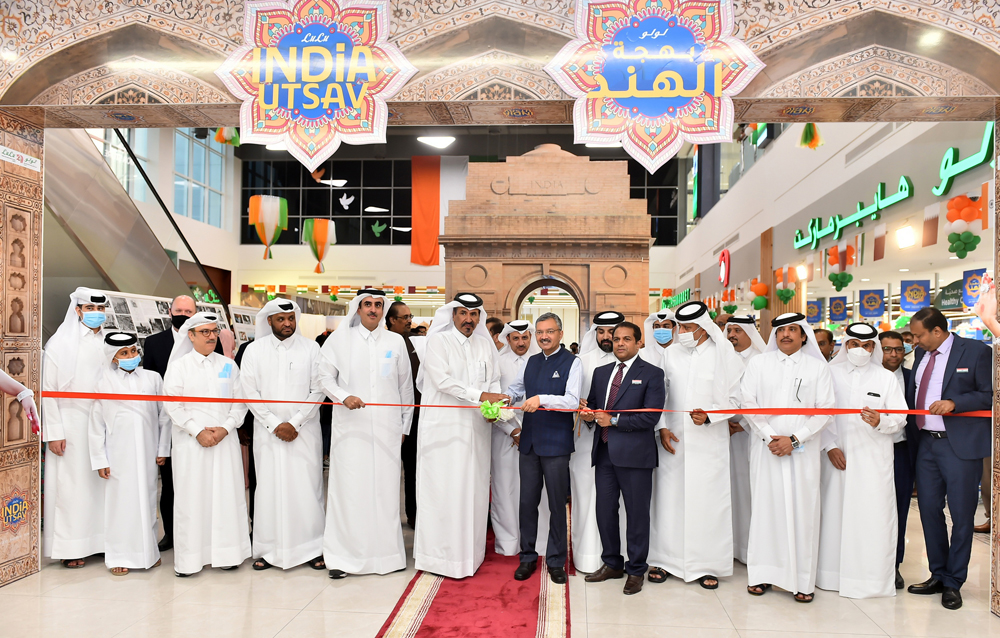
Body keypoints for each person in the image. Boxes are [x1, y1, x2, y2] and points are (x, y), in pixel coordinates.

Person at [740, 312, 835, 603]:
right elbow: (748, 403)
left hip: (802, 451)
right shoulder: (758, 363)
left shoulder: (817, 369)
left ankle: (801, 581)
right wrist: (771, 436)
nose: (786, 335)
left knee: (802, 511)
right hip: (765, 447)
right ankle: (762, 575)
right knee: (766, 510)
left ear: (803, 335)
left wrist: (795, 439)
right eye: (781, 330)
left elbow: (826, 409)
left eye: (793, 330)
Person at [649, 301, 743, 589]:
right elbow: (659, 394)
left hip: (708, 442)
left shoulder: (724, 355)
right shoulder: (672, 354)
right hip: (673, 441)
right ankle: (665, 560)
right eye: (682, 327)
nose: (683, 333)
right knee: (669, 501)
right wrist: (662, 427)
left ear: (704, 329)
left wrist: (711, 416)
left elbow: (737, 402)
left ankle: (708, 564)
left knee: (708, 503)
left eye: (689, 328)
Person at [320, 290, 414, 577]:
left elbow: (406, 388)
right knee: (350, 490)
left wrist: (404, 427)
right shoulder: (339, 340)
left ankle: (386, 557)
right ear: (358, 308)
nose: (373, 309)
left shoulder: (395, 341)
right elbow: (323, 377)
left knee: (385, 492)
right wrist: (343, 396)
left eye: (378, 305)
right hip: (351, 429)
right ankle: (343, 558)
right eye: (368, 305)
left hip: (387, 430)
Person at [413, 293, 506, 578]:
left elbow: (494, 380)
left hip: (476, 430)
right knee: (443, 491)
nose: (469, 319)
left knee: (473, 492)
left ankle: (469, 555)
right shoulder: (438, 342)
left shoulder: (484, 344)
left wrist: (492, 408)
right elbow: (441, 381)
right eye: (463, 313)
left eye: (474, 314)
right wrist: (482, 395)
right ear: (453, 314)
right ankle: (438, 558)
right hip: (444, 431)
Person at [906, 307, 991, 610]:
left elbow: (989, 394)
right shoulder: (921, 356)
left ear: (937, 332)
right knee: (928, 511)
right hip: (927, 444)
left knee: (962, 514)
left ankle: (954, 581)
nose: (914, 341)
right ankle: (938, 573)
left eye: (918, 335)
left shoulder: (977, 351)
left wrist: (956, 403)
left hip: (959, 446)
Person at [815, 323, 906, 599]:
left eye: (867, 346)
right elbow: (820, 413)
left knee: (871, 517)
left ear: (873, 348)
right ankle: (830, 576)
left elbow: (901, 417)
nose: (860, 350)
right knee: (833, 515)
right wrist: (829, 446)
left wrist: (882, 421)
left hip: (873, 461)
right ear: (846, 346)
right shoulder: (829, 373)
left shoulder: (885, 378)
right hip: (835, 458)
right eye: (854, 344)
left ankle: (869, 579)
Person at [239, 299, 326, 571]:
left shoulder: (312, 349)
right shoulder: (254, 351)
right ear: (269, 322)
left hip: (305, 433)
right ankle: (267, 550)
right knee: (268, 488)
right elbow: (249, 392)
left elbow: (319, 389)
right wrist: (275, 423)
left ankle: (313, 548)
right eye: (280, 319)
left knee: (306, 489)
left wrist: (296, 422)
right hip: (268, 434)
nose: (287, 323)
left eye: (291, 318)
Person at [162, 312, 251, 577]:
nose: (212, 337)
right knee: (192, 498)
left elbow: (240, 402)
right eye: (205, 332)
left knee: (226, 496)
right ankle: (190, 560)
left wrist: (225, 428)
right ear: (190, 336)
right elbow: (172, 405)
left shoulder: (228, 365)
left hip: (224, 441)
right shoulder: (178, 367)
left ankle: (227, 554)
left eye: (214, 331)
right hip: (191, 444)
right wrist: (197, 431)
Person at [581, 322, 664, 595]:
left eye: (626, 339)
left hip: (635, 456)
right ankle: (612, 563)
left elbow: (650, 417)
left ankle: (637, 569)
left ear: (639, 343)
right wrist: (588, 414)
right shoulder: (602, 372)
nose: (619, 343)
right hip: (604, 454)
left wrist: (614, 420)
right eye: (616, 339)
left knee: (637, 515)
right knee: (605, 512)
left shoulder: (652, 373)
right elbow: (594, 406)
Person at [506, 314, 582, 584]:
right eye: (539, 332)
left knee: (557, 505)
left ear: (560, 334)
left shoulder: (573, 362)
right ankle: (527, 557)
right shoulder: (531, 361)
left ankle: (556, 560)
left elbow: (572, 401)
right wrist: (505, 398)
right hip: (529, 443)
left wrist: (541, 399)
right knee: (527, 502)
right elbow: (516, 390)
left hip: (556, 444)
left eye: (549, 331)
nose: (543, 337)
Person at [141, 294, 221, 552]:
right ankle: (172, 535)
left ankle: (206, 537)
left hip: (206, 425)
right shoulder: (153, 343)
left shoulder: (212, 343)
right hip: (169, 423)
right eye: (179, 310)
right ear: (170, 310)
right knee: (171, 484)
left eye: (189, 311)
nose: (183, 314)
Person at [88, 332, 171, 576]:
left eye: (133, 351)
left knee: (147, 501)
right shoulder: (102, 382)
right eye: (124, 354)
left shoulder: (153, 378)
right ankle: (119, 556)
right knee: (120, 505)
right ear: (113, 358)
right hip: (117, 454)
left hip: (147, 451)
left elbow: (163, 416)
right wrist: (100, 459)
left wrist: (162, 448)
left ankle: (149, 554)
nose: (130, 356)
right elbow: (96, 425)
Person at [42, 287, 109, 568]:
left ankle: (101, 542)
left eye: (100, 309)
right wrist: (54, 433)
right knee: (72, 486)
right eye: (90, 309)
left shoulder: (110, 341)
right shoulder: (60, 343)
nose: (95, 314)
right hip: (70, 425)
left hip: (103, 423)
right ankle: (71, 548)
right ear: (78, 310)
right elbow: (48, 390)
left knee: (101, 485)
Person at [573, 310, 625, 573]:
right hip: (585, 441)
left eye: (612, 332)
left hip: (622, 440)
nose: (607, 337)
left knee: (617, 501)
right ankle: (587, 557)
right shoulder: (581, 361)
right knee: (585, 495)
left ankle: (618, 556)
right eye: (602, 332)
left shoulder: (632, 360)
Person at [492, 320, 546, 557]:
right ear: (508, 339)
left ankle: (539, 542)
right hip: (505, 435)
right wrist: (513, 431)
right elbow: (492, 402)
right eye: (516, 338)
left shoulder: (541, 361)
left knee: (537, 491)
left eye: (526, 337)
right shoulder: (497, 363)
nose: (521, 342)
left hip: (538, 435)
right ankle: (508, 543)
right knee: (506, 489)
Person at [724, 315, 767, 565]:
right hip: (722, 433)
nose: (732, 335)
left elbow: (766, 401)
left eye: (738, 330)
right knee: (728, 490)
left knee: (749, 490)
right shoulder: (723, 359)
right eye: (730, 330)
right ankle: (729, 546)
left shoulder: (760, 360)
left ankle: (750, 547)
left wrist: (742, 424)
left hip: (751, 435)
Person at [879, 330, 914, 587]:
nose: (894, 354)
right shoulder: (869, 377)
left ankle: (894, 564)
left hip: (901, 451)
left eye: (898, 349)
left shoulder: (913, 378)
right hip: (868, 452)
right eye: (887, 349)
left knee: (900, 510)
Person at [386, 300, 420, 529]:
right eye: (404, 317)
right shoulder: (386, 344)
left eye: (410, 316)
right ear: (391, 320)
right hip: (387, 415)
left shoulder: (414, 343)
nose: (409, 321)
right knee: (386, 468)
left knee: (413, 467)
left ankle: (414, 514)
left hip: (415, 415)